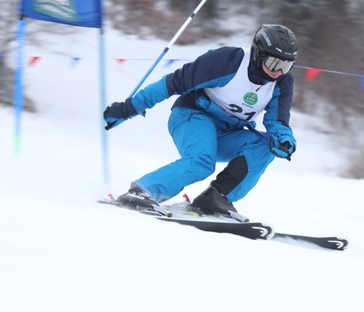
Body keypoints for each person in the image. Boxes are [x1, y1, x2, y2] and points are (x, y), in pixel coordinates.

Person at [103, 24, 298, 218]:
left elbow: (278, 120)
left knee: (265, 146)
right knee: (202, 162)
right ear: (258, 53)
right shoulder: (229, 61)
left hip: (228, 131)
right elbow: (172, 83)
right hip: (194, 116)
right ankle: (142, 191)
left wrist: (283, 139)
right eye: (274, 63)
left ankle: (215, 198)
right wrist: (129, 108)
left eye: (287, 65)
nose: (279, 71)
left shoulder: (282, 82)